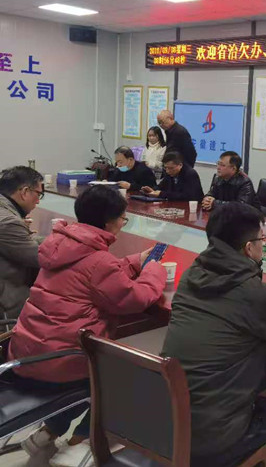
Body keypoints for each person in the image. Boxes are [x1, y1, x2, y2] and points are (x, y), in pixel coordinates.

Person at [9, 185, 165, 467]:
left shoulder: (60, 244)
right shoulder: (99, 260)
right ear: (109, 221)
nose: (123, 223)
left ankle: (47, 434)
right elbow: (134, 298)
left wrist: (134, 263)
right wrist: (154, 270)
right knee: (121, 377)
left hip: (27, 352)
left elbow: (92, 274)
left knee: (89, 371)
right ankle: (80, 443)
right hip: (58, 361)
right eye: (123, 218)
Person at [161, 203, 266, 467]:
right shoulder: (253, 293)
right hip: (212, 435)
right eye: (262, 239)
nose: (264, 244)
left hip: (167, 420)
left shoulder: (191, 275)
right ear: (249, 248)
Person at [0, 166, 44, 320]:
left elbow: (24, 240)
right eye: (38, 194)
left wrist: (55, 239)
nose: (38, 201)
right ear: (25, 192)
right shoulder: (8, 222)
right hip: (7, 307)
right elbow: (40, 257)